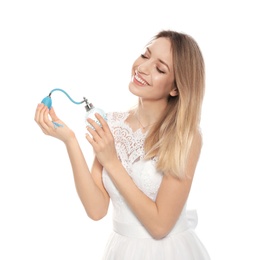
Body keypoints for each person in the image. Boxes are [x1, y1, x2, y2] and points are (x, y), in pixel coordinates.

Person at [35, 30, 211, 260]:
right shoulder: (114, 124)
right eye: (145, 55)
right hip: (122, 252)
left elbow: (160, 226)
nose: (143, 68)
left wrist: (112, 162)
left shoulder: (185, 136)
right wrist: (70, 141)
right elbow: (96, 209)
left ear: (175, 88)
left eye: (160, 68)